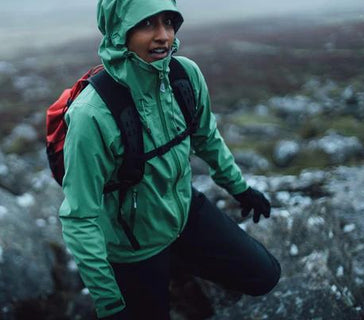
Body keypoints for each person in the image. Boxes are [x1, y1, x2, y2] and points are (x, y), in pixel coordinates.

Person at [58, 0, 281, 319]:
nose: (164, 35)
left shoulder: (185, 75)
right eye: (147, 24)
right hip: (133, 245)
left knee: (265, 275)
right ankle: (161, 268)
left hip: (184, 212)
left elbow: (207, 138)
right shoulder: (91, 115)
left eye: (169, 22)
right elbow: (80, 216)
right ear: (120, 31)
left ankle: (176, 262)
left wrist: (240, 189)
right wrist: (108, 301)